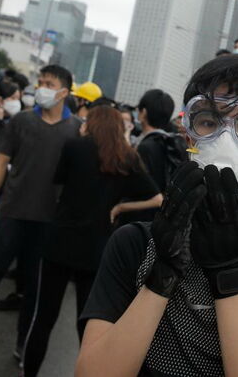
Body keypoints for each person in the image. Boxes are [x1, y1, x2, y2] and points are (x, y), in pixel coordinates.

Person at [75, 53, 238, 376]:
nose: (225, 140)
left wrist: (230, 277)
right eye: (208, 121)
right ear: (188, 137)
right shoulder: (136, 244)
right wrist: (161, 273)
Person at [0, 65, 81, 370]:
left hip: (48, 223)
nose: (41, 88)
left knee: (34, 292)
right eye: (40, 82)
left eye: (49, 84)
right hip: (11, 214)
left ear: (64, 92)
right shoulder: (22, 121)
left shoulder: (76, 129)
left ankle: (24, 343)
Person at [22, 106, 162, 376]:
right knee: (88, 324)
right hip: (96, 248)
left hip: (59, 242)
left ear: (92, 123)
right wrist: (119, 208)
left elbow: (58, 180)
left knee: (43, 318)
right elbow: (157, 198)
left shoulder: (74, 146)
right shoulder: (127, 158)